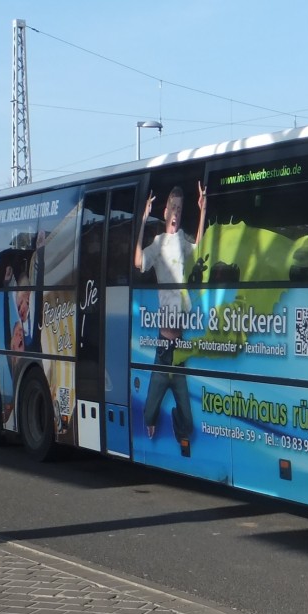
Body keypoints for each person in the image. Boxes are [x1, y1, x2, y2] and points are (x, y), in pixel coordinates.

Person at [134, 181, 206, 457]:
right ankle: (153, 419)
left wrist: (203, 210)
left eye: (180, 208)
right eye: (172, 207)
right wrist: (142, 220)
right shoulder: (158, 244)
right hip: (164, 349)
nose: (176, 212)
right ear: (165, 212)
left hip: (180, 352)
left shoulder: (183, 242)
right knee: (149, 415)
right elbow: (138, 263)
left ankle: (177, 419)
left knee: (188, 421)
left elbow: (199, 247)